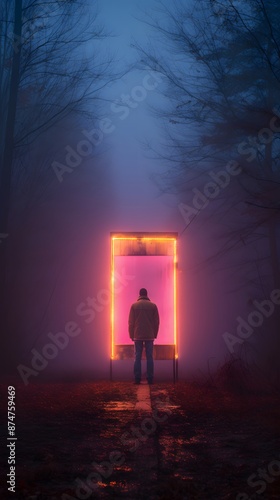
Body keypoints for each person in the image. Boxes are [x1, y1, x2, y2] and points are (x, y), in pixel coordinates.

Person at [128, 288, 160, 384]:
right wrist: (154, 334)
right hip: (150, 335)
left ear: (139, 295)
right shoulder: (153, 306)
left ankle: (137, 378)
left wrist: (131, 335)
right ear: (147, 295)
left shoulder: (134, 306)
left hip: (137, 335)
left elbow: (130, 323)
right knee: (149, 357)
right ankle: (150, 378)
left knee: (137, 357)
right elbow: (156, 322)